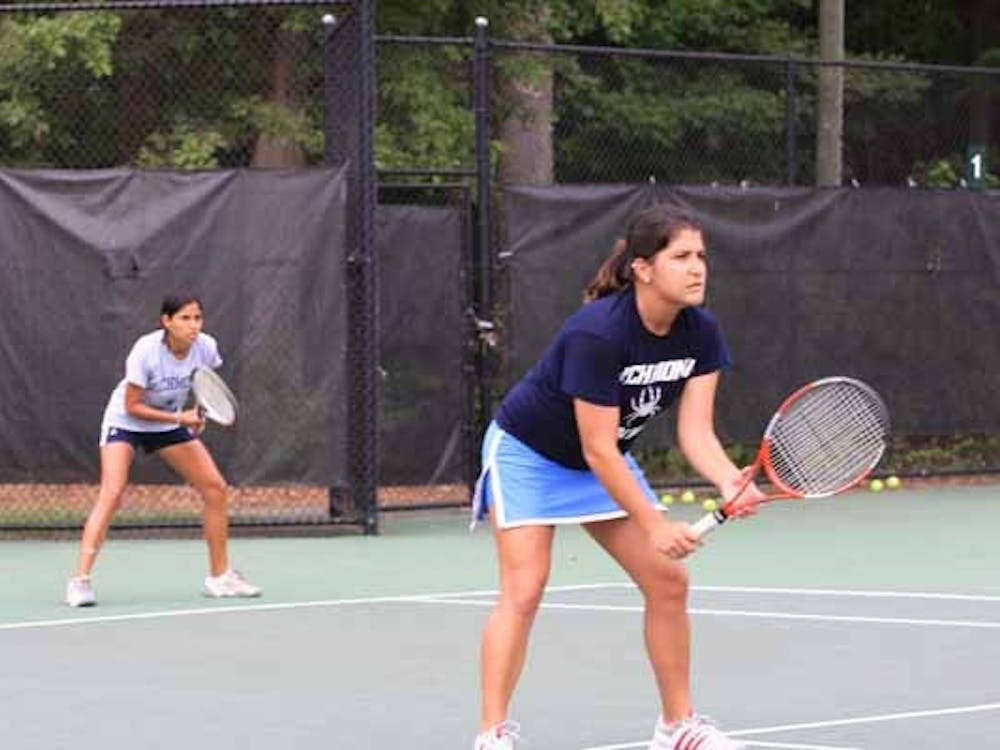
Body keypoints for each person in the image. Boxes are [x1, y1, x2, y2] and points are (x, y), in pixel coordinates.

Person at [470, 203, 764, 750]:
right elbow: (599, 448)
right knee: (525, 589)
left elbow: (696, 432)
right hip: (529, 456)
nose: (697, 268)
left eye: (701, 255)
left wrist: (728, 479)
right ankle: (493, 734)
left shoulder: (701, 332)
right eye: (681, 257)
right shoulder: (599, 334)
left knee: (668, 582)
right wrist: (653, 523)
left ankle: (678, 728)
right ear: (642, 268)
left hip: (596, 459)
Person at [65, 294, 261, 607]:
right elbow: (132, 405)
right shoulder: (146, 351)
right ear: (166, 321)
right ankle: (80, 581)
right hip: (126, 420)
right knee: (112, 492)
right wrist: (178, 417)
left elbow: (203, 383)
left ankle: (219, 577)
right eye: (185, 318)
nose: (193, 325)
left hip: (169, 422)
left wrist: (198, 414)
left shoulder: (206, 347)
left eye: (197, 318)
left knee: (215, 488)